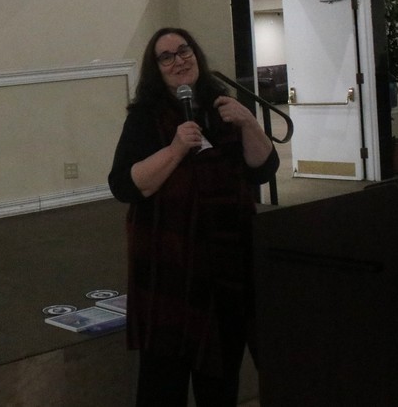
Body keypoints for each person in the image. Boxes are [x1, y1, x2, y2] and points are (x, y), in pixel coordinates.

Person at [108, 27, 279, 407]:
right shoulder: (144, 118)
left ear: (196, 55)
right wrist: (175, 149)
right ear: (156, 69)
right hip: (171, 271)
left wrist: (249, 122)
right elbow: (124, 185)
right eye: (166, 57)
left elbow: (263, 169)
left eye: (184, 50)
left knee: (220, 383)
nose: (178, 61)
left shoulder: (223, 109)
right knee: (163, 384)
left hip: (226, 268)